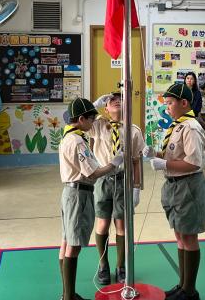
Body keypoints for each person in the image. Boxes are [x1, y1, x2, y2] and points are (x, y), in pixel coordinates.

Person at [144, 83, 205, 300]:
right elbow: (174, 155)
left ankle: (190, 291)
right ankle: (182, 285)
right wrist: (155, 155)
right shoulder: (177, 126)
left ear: (184, 103)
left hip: (188, 185)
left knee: (188, 236)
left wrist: (165, 164)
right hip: (174, 185)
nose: (167, 107)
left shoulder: (190, 127)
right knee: (180, 235)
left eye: (170, 103)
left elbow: (193, 163)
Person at [58, 97, 125, 300]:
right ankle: (69, 296)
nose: (93, 122)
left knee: (66, 242)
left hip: (70, 193)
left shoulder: (68, 134)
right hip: (79, 195)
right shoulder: (77, 141)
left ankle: (67, 293)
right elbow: (93, 173)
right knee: (73, 246)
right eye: (90, 119)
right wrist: (114, 163)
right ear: (81, 119)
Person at [88, 92, 144, 285]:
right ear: (105, 108)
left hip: (122, 180)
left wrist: (136, 188)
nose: (117, 102)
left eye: (121, 100)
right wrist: (95, 104)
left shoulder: (133, 130)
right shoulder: (97, 126)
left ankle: (121, 266)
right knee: (102, 222)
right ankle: (103, 264)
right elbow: (80, 117)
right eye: (112, 101)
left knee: (121, 224)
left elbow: (136, 161)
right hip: (103, 179)